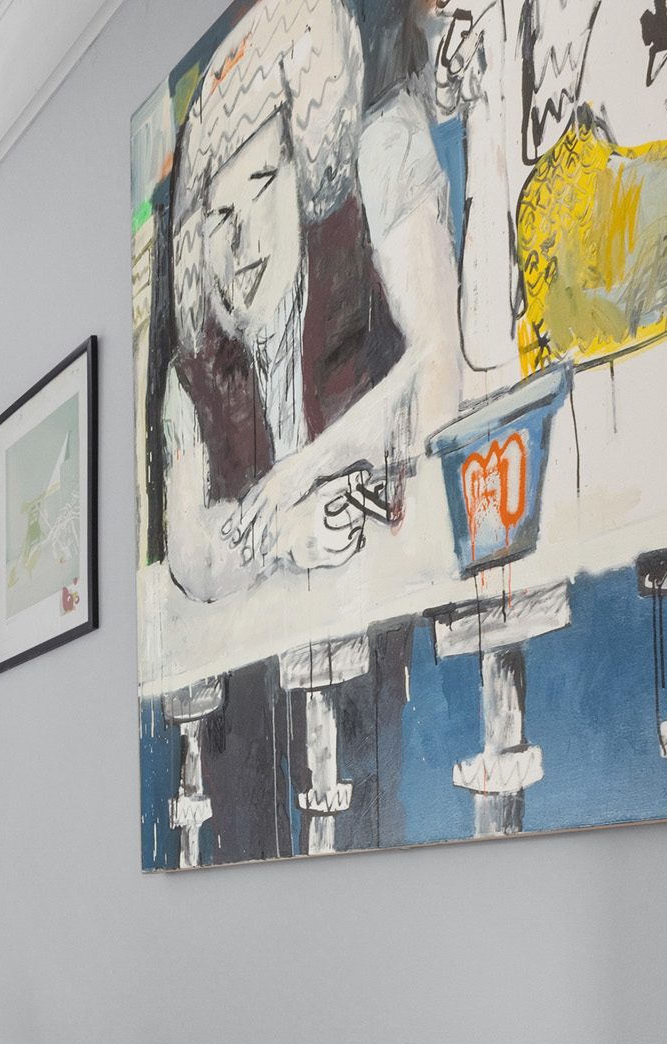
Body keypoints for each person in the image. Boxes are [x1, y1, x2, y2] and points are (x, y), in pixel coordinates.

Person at [160, 0, 460, 603]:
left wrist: (302, 472)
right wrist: (285, 534)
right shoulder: (190, 379)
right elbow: (190, 557)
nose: (239, 241)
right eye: (218, 216)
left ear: (303, 172)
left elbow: (440, 376)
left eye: (262, 185)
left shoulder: (379, 167)